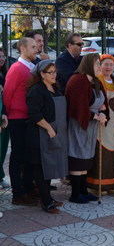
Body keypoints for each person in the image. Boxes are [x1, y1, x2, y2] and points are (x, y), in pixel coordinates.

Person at [65, 53, 109, 204]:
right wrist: (97, 115)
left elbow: (102, 102)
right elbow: (77, 107)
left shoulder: (95, 81)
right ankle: (75, 194)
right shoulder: (78, 80)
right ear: (88, 65)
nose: (100, 67)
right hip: (78, 125)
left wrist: (102, 112)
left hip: (91, 125)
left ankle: (83, 191)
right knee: (78, 156)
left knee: (86, 157)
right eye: (97, 64)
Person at [26, 60, 67, 213]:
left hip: (53, 133)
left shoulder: (55, 88)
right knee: (41, 169)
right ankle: (45, 201)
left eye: (55, 72)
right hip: (39, 135)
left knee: (49, 166)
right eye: (51, 72)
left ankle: (49, 197)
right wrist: (49, 128)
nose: (54, 75)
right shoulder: (36, 90)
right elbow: (33, 114)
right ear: (42, 74)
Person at [3, 37, 38, 206]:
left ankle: (28, 188)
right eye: (33, 47)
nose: (36, 49)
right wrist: (8, 116)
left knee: (28, 156)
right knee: (17, 157)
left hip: (29, 118)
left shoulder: (32, 67)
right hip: (17, 119)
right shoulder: (16, 69)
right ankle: (18, 194)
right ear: (23, 49)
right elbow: (7, 94)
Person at [87, 54, 114, 195]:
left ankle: (111, 183)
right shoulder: (97, 80)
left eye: (111, 65)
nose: (109, 67)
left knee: (112, 151)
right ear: (99, 66)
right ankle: (96, 184)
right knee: (100, 150)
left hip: (113, 123)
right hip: (101, 121)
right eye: (105, 64)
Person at [0, 48, 10, 189]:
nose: (2, 59)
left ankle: (0, 176)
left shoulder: (5, 74)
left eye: (3, 56)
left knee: (3, 148)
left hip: (6, 116)